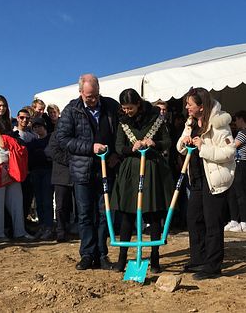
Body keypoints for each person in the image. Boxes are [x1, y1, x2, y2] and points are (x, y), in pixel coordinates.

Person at [55, 74, 120, 270]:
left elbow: (120, 132)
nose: (92, 100)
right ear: (80, 92)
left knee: (104, 213)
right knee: (84, 214)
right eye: (88, 96)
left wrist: (116, 154)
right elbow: (63, 139)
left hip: (106, 169)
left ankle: (102, 254)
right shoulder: (71, 110)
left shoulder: (111, 106)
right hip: (82, 170)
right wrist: (90, 147)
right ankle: (86, 254)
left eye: (95, 95)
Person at [110, 89, 173, 274]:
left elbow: (168, 141)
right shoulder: (123, 121)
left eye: (130, 108)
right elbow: (119, 147)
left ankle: (155, 260)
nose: (127, 111)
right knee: (128, 215)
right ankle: (122, 259)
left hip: (152, 168)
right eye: (124, 108)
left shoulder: (156, 118)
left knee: (153, 214)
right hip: (130, 170)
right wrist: (131, 148)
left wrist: (155, 144)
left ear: (138, 103)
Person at [177, 87, 235, 280]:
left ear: (201, 107)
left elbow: (228, 153)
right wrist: (184, 142)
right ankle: (198, 259)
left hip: (215, 179)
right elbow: (181, 148)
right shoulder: (191, 122)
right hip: (196, 178)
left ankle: (213, 266)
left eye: (190, 104)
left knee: (213, 223)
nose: (187, 107)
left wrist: (204, 147)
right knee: (194, 219)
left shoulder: (220, 124)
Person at [0, 95, 33, 241]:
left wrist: (10, 141)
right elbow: (0, 141)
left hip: (11, 159)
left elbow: (5, 141)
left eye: (4, 105)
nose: (1, 108)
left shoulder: (7, 123)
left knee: (16, 196)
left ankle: (20, 231)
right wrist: (12, 141)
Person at [224, 110, 246, 232]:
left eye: (236, 119)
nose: (235, 122)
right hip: (237, 164)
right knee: (233, 193)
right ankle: (234, 220)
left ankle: (244, 222)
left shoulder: (245, 132)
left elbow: (232, 146)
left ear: (241, 119)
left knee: (241, 193)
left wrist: (226, 140)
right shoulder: (242, 132)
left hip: (242, 164)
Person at [26, 117, 54, 240]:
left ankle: (49, 226)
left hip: (48, 171)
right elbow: (30, 158)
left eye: (39, 126)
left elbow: (49, 154)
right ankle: (42, 225)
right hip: (35, 172)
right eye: (35, 127)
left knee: (47, 201)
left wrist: (40, 154)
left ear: (44, 126)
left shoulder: (51, 139)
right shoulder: (32, 142)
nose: (38, 129)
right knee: (39, 201)